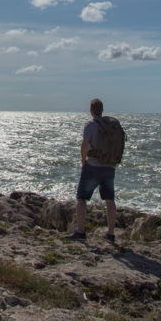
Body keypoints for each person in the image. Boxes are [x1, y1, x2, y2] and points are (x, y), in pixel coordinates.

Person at [68, 98, 117, 242]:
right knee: (110, 200)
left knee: (82, 199)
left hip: (93, 167)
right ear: (102, 110)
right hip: (110, 167)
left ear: (91, 110)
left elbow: (84, 145)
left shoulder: (90, 125)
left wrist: (83, 161)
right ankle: (111, 233)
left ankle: (81, 231)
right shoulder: (111, 125)